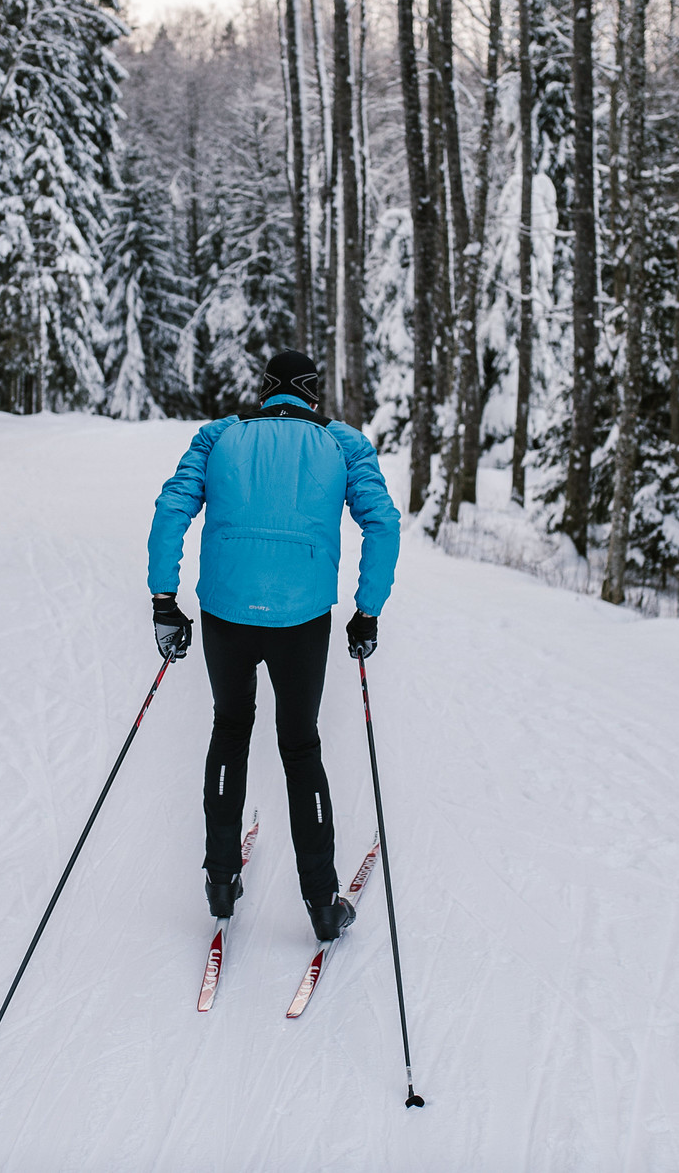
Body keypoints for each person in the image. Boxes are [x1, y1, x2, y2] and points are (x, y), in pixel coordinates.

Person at [146, 349, 401, 942]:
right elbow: (382, 524)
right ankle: (320, 902)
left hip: (226, 613)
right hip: (302, 618)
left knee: (230, 728)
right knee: (300, 747)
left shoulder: (218, 438)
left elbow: (170, 509)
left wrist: (165, 600)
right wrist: (367, 612)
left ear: (266, 391)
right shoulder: (344, 444)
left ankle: (219, 880)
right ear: (313, 393)